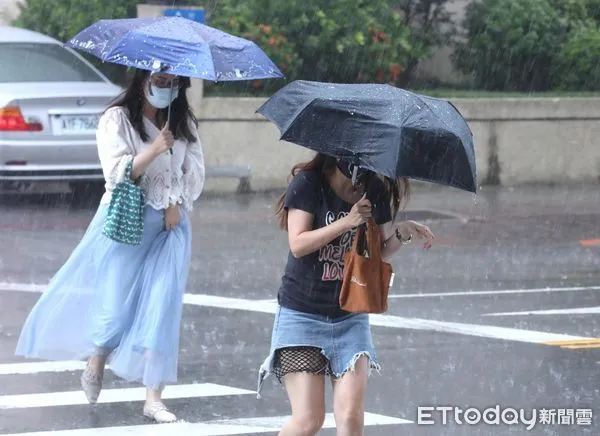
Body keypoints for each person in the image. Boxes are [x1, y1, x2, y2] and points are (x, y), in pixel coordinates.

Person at [15, 68, 205, 423]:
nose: (168, 89)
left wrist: (175, 199)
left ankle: (153, 398)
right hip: (126, 222)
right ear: (143, 80)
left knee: (161, 307)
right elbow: (117, 173)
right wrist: (154, 150)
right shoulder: (116, 119)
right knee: (116, 305)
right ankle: (97, 357)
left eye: (175, 83)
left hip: (171, 225)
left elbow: (195, 171)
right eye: (161, 81)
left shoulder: (182, 122)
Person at [257, 153, 434, 436]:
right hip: (302, 314)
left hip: (350, 316)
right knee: (308, 421)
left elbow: (377, 253)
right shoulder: (308, 183)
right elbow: (298, 244)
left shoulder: (374, 189)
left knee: (351, 416)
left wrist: (400, 234)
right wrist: (347, 221)